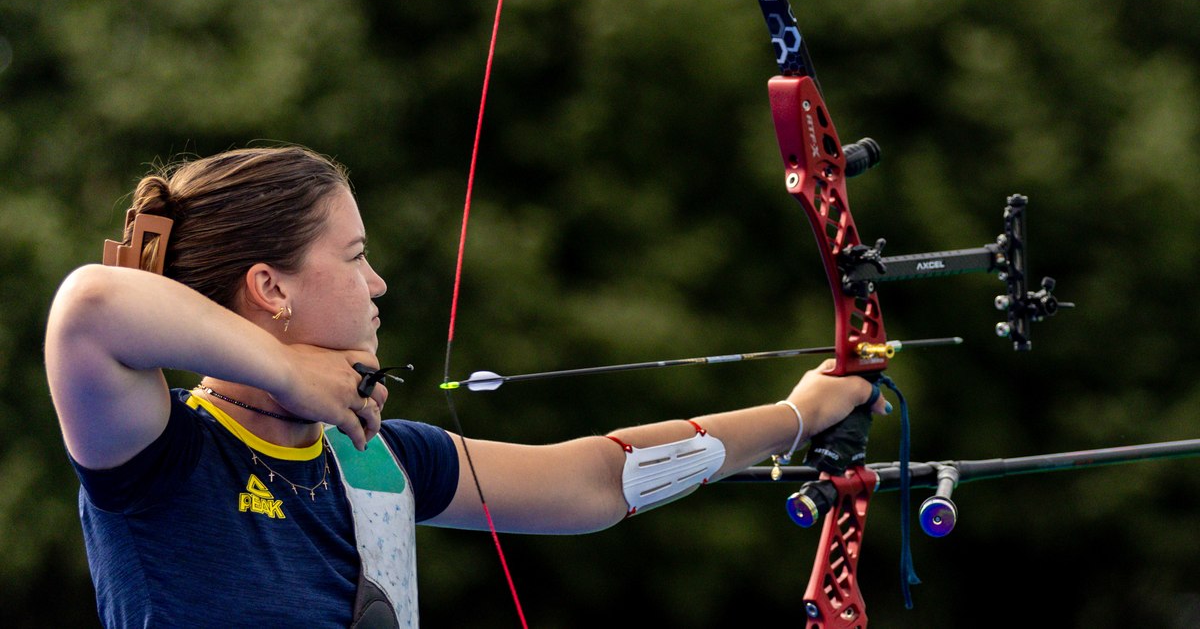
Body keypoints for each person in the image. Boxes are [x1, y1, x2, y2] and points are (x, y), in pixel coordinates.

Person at [44, 145, 887, 627]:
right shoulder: (162, 456)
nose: (377, 284)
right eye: (353, 256)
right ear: (272, 288)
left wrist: (795, 415)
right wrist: (288, 370)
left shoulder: (374, 460)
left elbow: (595, 480)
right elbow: (88, 306)